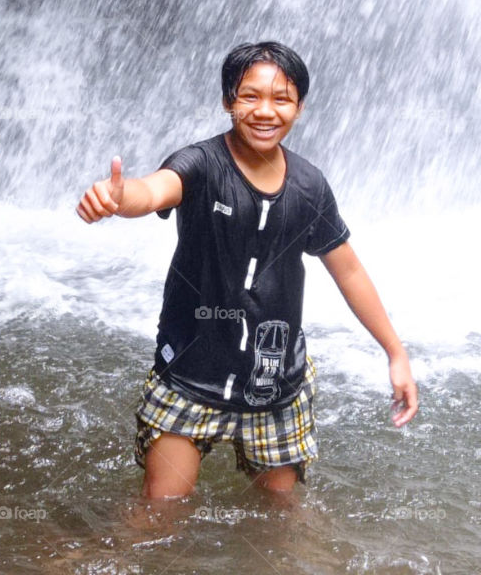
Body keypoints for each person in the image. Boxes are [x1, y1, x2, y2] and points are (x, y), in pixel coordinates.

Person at [75, 41, 418, 498]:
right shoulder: (202, 164)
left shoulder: (309, 187)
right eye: (250, 96)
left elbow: (349, 270)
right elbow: (155, 190)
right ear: (227, 101)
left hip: (274, 385)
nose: (265, 111)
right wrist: (118, 199)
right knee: (161, 511)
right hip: (190, 376)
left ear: (299, 108)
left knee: (284, 517)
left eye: (281, 99)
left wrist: (395, 352)